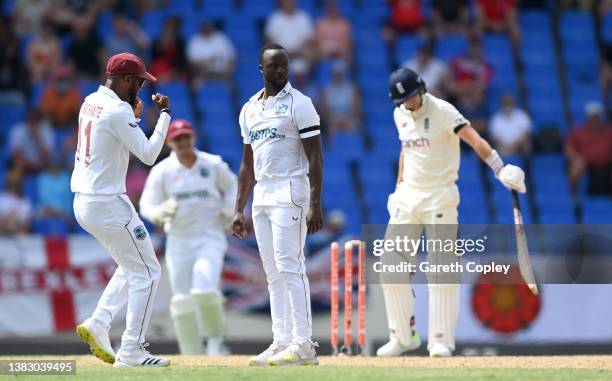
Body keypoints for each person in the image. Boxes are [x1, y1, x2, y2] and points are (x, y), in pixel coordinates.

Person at [377, 67, 526, 357]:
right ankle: (403, 336)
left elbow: (475, 140)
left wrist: (500, 168)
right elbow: (406, 152)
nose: (409, 104)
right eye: (403, 101)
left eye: (411, 97)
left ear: (421, 89)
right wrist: (397, 189)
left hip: (440, 198)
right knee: (390, 265)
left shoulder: (443, 110)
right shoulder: (400, 115)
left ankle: (441, 340)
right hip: (408, 197)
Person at [72, 52, 172, 368]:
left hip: (85, 201)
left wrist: (135, 118)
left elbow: (111, 136)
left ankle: (99, 322)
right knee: (148, 271)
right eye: (139, 83)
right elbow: (149, 154)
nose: (141, 89)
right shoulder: (117, 110)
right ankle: (132, 350)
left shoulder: (91, 100)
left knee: (132, 265)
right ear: (126, 80)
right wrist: (165, 115)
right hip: (107, 203)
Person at [232, 43, 324, 366]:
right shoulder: (249, 110)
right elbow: (247, 164)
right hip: (262, 196)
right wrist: (238, 208)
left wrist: (315, 202)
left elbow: (315, 156)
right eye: (273, 66)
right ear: (261, 69)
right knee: (271, 273)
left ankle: (304, 345)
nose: (281, 70)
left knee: (291, 265)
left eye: (284, 65)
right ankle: (281, 339)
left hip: (290, 189)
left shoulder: (300, 104)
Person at [140, 119, 237, 356]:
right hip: (179, 240)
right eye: (177, 139)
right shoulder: (162, 170)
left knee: (205, 288)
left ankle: (216, 342)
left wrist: (230, 210)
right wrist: (158, 213)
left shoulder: (212, 164)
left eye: (186, 137)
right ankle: (191, 353)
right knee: (182, 299)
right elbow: (146, 204)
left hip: (209, 235)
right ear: (170, 143)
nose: (183, 142)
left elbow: (234, 186)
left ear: (193, 138)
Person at [565, 102, 612, 195]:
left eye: (596, 117)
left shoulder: (609, 132)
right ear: (587, 117)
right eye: (592, 117)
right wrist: (576, 158)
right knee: (575, 168)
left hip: (607, 163)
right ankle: (574, 197)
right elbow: (568, 148)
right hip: (586, 164)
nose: (594, 119)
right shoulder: (577, 132)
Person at [186, 20, 235, 84]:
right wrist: (207, 62)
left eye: (207, 27)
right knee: (195, 83)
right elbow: (191, 62)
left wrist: (229, 71)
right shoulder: (194, 41)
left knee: (231, 85)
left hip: (221, 73)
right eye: (204, 27)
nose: (206, 29)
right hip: (202, 73)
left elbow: (232, 58)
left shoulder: (222, 39)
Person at [320, 61, 361, 134]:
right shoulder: (326, 91)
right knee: (331, 128)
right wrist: (334, 120)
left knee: (353, 126)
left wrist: (346, 119)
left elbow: (356, 110)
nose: (338, 76)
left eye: (340, 74)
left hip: (349, 119)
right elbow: (324, 110)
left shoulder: (352, 90)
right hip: (332, 121)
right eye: (336, 74)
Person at [9, 108, 54, 174]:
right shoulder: (18, 130)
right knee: (15, 169)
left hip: (42, 164)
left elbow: (48, 155)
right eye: (31, 120)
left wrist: (38, 138)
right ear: (27, 120)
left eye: (36, 120)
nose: (33, 123)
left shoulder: (47, 131)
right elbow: (15, 154)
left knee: (53, 167)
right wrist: (27, 162)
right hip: (23, 163)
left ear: (40, 121)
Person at [40, 64, 81, 128]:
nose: (62, 82)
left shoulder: (74, 94)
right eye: (60, 79)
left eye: (65, 79)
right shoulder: (48, 93)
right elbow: (46, 114)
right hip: (52, 127)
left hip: (69, 126)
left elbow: (76, 114)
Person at [0, 169, 32, 235]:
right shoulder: (2, 198)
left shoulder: (25, 201)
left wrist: (13, 222)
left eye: (16, 183)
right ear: (8, 183)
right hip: (3, 229)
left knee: (23, 230)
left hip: (18, 230)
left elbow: (25, 222)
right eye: (12, 183)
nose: (14, 185)